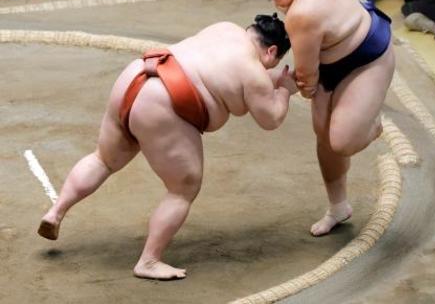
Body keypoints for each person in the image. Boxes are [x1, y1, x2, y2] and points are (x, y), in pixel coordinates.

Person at [37, 15, 297, 280]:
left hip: (139, 74)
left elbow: (230, 71)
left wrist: (273, 80)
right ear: (271, 51)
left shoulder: (225, 28)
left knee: (103, 159)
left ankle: (55, 212)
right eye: (273, 62)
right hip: (164, 102)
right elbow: (271, 118)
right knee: (184, 188)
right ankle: (148, 261)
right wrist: (285, 90)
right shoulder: (253, 73)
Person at [203, 0, 395, 236]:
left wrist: (301, 89)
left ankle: (371, 124)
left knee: (342, 141)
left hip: (367, 56)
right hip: (330, 57)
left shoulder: (302, 13)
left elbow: (306, 74)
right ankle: (338, 206)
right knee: (324, 134)